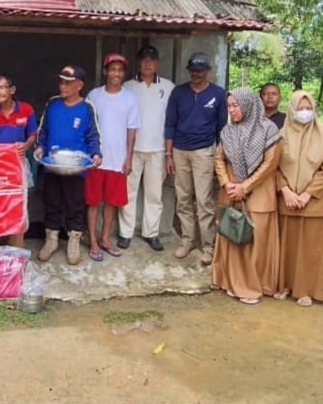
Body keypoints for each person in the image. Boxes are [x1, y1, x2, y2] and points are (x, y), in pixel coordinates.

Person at [211, 87, 283, 304]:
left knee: (256, 241)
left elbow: (270, 164)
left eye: (236, 105)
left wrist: (246, 186)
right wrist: (226, 183)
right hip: (232, 193)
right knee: (233, 237)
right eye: (229, 106)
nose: (232, 110)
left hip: (259, 194)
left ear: (248, 105)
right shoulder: (228, 131)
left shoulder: (269, 130)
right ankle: (231, 281)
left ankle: (253, 286)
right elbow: (219, 159)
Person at [34, 65, 102, 265]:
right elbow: (43, 130)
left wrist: (96, 153)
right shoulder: (53, 104)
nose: (62, 86)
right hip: (52, 164)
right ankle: (52, 240)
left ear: (79, 85)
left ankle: (74, 240)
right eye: (61, 82)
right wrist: (40, 147)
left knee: (75, 205)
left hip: (76, 167)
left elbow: (93, 135)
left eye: (68, 83)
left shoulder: (87, 107)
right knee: (52, 202)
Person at [275, 90, 323, 307]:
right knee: (286, 247)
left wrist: (307, 194)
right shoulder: (279, 137)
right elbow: (272, 168)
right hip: (287, 200)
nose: (304, 113)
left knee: (311, 249)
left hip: (314, 202)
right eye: (299, 109)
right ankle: (283, 285)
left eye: (308, 108)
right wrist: (286, 191)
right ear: (291, 110)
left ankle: (306, 289)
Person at [165, 52, 228, 265]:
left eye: (200, 70)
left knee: (204, 201)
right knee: (182, 199)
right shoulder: (178, 92)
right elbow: (170, 125)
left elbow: (222, 129)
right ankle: (188, 240)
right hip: (179, 151)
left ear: (208, 71)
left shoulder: (218, 95)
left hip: (204, 152)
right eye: (193, 70)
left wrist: (221, 158)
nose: (196, 74)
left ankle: (209, 247)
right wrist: (168, 155)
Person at [86, 53, 140, 261]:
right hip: (96, 160)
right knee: (92, 202)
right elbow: (89, 127)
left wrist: (128, 158)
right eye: (112, 69)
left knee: (111, 203)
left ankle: (105, 239)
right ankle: (92, 240)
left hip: (118, 160)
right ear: (105, 72)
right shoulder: (94, 95)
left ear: (123, 73)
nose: (116, 73)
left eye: (120, 70)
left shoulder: (130, 98)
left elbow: (132, 130)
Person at [121, 45, 175, 251]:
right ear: (138, 62)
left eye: (152, 59)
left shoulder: (168, 87)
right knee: (129, 192)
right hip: (132, 149)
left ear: (157, 62)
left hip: (158, 149)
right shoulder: (128, 86)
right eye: (144, 59)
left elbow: (171, 120)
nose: (148, 63)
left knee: (154, 194)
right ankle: (126, 233)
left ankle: (151, 233)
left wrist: (170, 152)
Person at [0, 73, 38, 247]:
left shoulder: (26, 110)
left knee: (17, 205)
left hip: (17, 166)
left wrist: (26, 146)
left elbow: (33, 135)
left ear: (12, 90)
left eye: (2, 88)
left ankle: (15, 249)